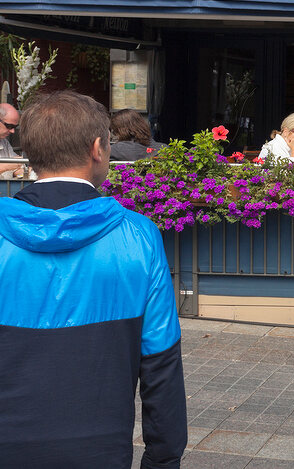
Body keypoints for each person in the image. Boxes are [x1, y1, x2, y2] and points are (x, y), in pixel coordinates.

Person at [0, 90, 186, 466]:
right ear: (98, 148)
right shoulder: (139, 237)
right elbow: (161, 362)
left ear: (29, 151)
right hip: (100, 452)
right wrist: (163, 460)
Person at [0, 102, 22, 178]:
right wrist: (7, 166)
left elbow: (17, 167)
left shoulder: (4, 142)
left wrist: (29, 173)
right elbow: (12, 164)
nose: (13, 131)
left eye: (15, 127)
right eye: (9, 126)